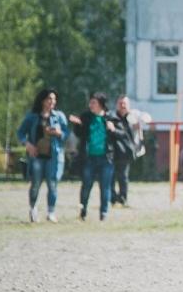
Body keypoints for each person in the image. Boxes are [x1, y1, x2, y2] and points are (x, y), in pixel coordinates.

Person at [70, 92, 126, 221]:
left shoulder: (110, 117)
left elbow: (123, 134)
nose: (91, 105)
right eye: (90, 103)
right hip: (89, 157)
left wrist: (113, 129)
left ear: (101, 104)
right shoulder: (85, 117)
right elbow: (79, 134)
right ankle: (83, 210)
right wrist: (77, 124)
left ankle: (104, 213)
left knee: (105, 187)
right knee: (86, 185)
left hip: (106, 158)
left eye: (93, 103)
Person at [16, 88, 69, 223]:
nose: (52, 102)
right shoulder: (32, 117)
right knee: (36, 184)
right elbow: (20, 133)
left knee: (52, 184)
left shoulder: (59, 117)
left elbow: (66, 135)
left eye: (54, 99)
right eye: (49, 99)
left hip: (53, 156)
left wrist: (58, 133)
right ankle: (33, 209)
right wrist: (28, 145)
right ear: (42, 100)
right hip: (37, 156)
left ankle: (51, 212)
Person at [110, 95, 139, 207]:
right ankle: (113, 199)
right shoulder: (112, 117)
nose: (122, 106)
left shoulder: (132, 119)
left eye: (125, 104)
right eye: (120, 103)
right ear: (117, 105)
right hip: (113, 151)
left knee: (123, 177)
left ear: (129, 105)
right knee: (111, 177)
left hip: (125, 152)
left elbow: (135, 137)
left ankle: (123, 199)